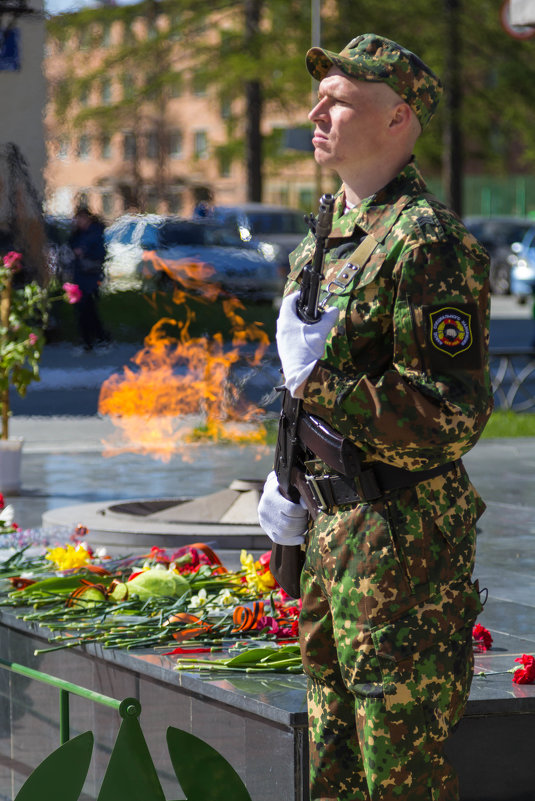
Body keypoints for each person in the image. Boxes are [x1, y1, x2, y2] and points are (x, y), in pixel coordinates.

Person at [257, 34, 493, 801]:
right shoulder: (324, 235)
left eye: (339, 100)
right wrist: (286, 474)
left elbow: (451, 415)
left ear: (397, 119)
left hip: (402, 542)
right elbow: (304, 390)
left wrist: (320, 384)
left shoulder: (424, 240)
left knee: (399, 775)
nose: (314, 111)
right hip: (334, 532)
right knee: (333, 772)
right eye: (318, 96)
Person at [68, 205, 110, 352]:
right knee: (85, 309)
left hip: (90, 276)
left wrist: (84, 252)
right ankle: (93, 338)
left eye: (81, 218)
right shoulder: (78, 234)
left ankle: (93, 338)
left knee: (87, 308)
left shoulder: (95, 233)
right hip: (79, 276)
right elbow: (71, 247)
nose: (79, 222)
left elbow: (100, 253)